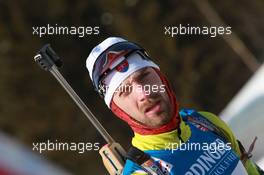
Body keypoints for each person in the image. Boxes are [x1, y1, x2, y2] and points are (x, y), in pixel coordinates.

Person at [86, 37, 262, 175]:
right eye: (125, 90)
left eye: (144, 76)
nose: (144, 94)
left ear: (160, 76)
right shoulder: (143, 172)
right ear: (118, 110)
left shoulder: (206, 122)